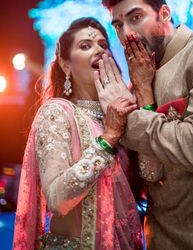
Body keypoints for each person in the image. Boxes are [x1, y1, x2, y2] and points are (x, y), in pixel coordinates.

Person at [94, 0, 193, 249]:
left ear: (164, 13)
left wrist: (127, 120)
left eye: (136, 18)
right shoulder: (134, 85)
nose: (127, 34)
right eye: (119, 25)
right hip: (157, 237)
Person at [13, 17, 144, 250]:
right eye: (85, 46)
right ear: (65, 64)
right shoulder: (57, 113)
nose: (99, 51)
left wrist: (145, 95)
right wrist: (108, 139)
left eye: (104, 45)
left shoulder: (117, 116)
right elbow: (57, 198)